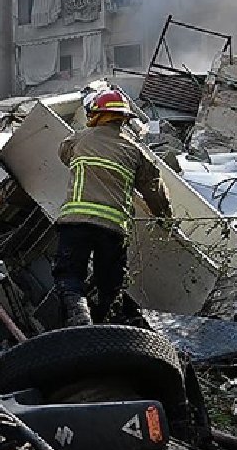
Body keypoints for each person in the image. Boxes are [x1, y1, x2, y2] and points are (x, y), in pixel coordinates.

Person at [54, 89, 174, 327]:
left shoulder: (77, 140)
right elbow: (155, 190)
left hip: (76, 223)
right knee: (111, 286)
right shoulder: (135, 151)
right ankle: (110, 331)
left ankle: (79, 317)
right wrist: (165, 219)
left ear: (95, 114)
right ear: (124, 118)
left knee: (69, 276)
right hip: (113, 230)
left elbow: (64, 155)